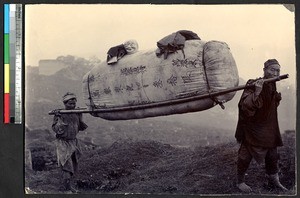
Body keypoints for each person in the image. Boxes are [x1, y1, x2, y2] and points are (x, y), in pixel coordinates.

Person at [235, 59, 287, 193]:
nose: (275, 73)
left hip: (269, 128)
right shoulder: (253, 84)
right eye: (272, 70)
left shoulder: (272, 85)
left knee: (272, 155)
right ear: (264, 71)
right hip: (253, 128)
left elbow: (269, 105)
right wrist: (257, 92)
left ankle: (273, 179)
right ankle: (240, 182)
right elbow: (245, 106)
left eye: (277, 70)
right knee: (245, 156)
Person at [52, 92, 88, 192]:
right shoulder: (60, 114)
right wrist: (58, 117)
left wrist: (80, 114)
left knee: (75, 165)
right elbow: (56, 129)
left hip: (73, 142)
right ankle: (66, 188)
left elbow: (80, 127)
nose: (72, 106)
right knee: (66, 166)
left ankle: (72, 187)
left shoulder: (76, 113)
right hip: (63, 143)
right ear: (65, 104)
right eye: (69, 104)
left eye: (73, 104)